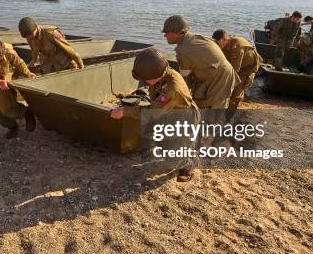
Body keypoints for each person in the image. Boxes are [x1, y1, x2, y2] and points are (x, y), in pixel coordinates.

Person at [110, 48, 200, 182]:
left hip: (183, 119)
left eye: (145, 79)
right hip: (169, 114)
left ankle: (189, 164)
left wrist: (124, 111)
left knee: (173, 159)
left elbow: (152, 112)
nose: (144, 82)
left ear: (155, 76)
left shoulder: (172, 89)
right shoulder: (163, 73)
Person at [162, 15, 238, 115]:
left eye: (167, 32)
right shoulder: (195, 37)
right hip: (214, 74)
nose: (165, 36)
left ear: (179, 33)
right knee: (202, 104)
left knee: (215, 113)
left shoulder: (183, 50)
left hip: (221, 78)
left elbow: (184, 79)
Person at [212, 29, 262, 110]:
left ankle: (231, 114)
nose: (216, 45)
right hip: (238, 64)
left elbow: (235, 69)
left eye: (218, 43)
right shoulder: (222, 44)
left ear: (224, 40)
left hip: (248, 67)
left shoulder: (237, 47)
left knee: (237, 90)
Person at [18, 17, 84, 74]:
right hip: (49, 66)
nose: (29, 37)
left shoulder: (51, 33)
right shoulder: (30, 38)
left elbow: (69, 49)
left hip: (65, 64)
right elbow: (34, 52)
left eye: (31, 34)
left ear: (35, 28)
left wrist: (80, 64)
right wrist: (33, 62)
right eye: (27, 36)